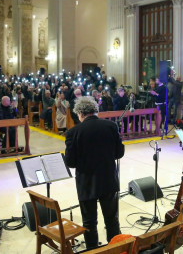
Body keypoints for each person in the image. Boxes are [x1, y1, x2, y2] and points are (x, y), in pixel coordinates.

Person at [64, 97, 125, 250]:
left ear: (79, 113)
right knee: (112, 219)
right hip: (108, 180)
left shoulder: (73, 132)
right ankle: (114, 250)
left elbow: (70, 163)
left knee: (89, 222)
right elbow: (119, 153)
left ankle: (92, 251)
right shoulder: (111, 126)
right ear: (95, 111)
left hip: (87, 182)